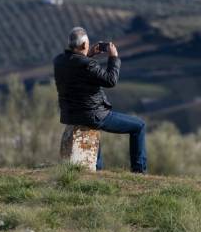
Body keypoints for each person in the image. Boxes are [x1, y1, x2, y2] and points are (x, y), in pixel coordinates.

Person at [53, 27, 147, 173]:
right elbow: (110, 80)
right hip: (93, 115)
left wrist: (88, 55)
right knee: (139, 126)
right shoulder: (87, 65)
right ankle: (139, 171)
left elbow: (77, 70)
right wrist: (113, 57)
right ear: (84, 45)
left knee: (93, 128)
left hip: (71, 114)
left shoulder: (59, 61)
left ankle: (98, 169)